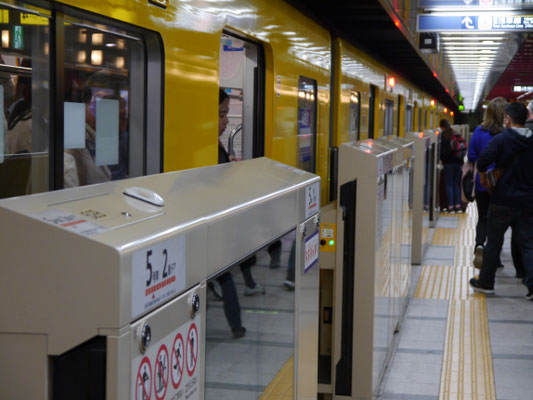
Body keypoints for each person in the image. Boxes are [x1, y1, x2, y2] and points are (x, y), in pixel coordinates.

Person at [469, 102, 533, 300]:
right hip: (528, 201)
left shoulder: (503, 138)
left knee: (494, 243)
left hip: (502, 199)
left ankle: (486, 283)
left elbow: (483, 160)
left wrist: (485, 176)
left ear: (508, 119)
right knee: (529, 244)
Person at [467, 97, 507, 269]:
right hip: (501, 182)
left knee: (482, 217)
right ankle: (494, 257)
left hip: (482, 180)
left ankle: (479, 245)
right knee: (498, 221)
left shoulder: (478, 131)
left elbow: (471, 156)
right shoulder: (507, 134)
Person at [439, 119, 464, 213]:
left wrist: (442, 159)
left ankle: (450, 206)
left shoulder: (443, 135)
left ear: (442, 127)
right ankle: (457, 205)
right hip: (458, 162)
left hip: (448, 163)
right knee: (456, 184)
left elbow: (442, 151)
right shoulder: (456, 134)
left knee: (449, 184)